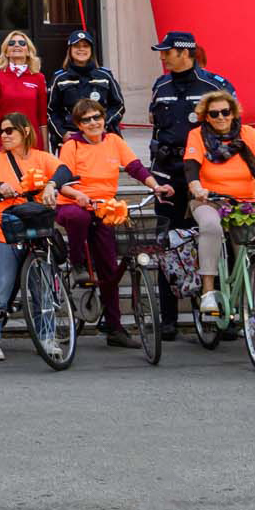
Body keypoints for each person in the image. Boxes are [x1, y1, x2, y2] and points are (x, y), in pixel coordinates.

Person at [48, 97, 163, 351]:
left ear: (104, 118)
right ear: (79, 124)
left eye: (97, 117)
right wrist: (77, 195)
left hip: (104, 207)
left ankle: (114, 328)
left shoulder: (114, 141)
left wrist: (156, 186)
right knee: (80, 217)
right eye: (86, 119)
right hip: (73, 202)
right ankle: (77, 263)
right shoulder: (72, 145)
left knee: (109, 268)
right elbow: (62, 178)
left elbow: (135, 167)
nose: (93, 123)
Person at [183, 91, 255, 321]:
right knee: (211, 226)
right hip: (210, 200)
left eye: (225, 112)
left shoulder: (247, 133)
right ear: (206, 116)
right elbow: (191, 166)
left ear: (233, 113)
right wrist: (197, 187)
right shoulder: (197, 135)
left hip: (244, 203)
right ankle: (208, 290)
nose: (220, 117)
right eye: (214, 113)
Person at [0, 113, 57, 360]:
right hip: (5, 229)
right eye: (1, 131)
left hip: (35, 229)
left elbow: (64, 171)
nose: (4, 135)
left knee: (42, 288)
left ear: (25, 131)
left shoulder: (42, 157)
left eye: (10, 131)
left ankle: (47, 336)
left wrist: (52, 185)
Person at [147, 31, 234, 220]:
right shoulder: (160, 86)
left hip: (203, 169)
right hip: (167, 168)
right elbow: (156, 127)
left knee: (204, 228)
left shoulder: (214, 86)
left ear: (184, 53)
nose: (162, 57)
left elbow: (233, 129)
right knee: (168, 229)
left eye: (167, 52)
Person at [46, 29, 124, 147]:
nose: (81, 49)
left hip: (102, 137)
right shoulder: (60, 78)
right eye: (76, 46)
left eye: (85, 46)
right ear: (70, 50)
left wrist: (102, 124)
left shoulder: (104, 75)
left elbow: (118, 105)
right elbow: (51, 111)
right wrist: (62, 133)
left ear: (91, 50)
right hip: (72, 139)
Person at [0, 30, 49, 159]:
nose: (17, 45)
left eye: (22, 43)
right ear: (6, 51)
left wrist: (45, 149)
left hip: (31, 140)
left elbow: (42, 118)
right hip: (5, 139)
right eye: (12, 43)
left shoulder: (38, 78)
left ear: (28, 50)